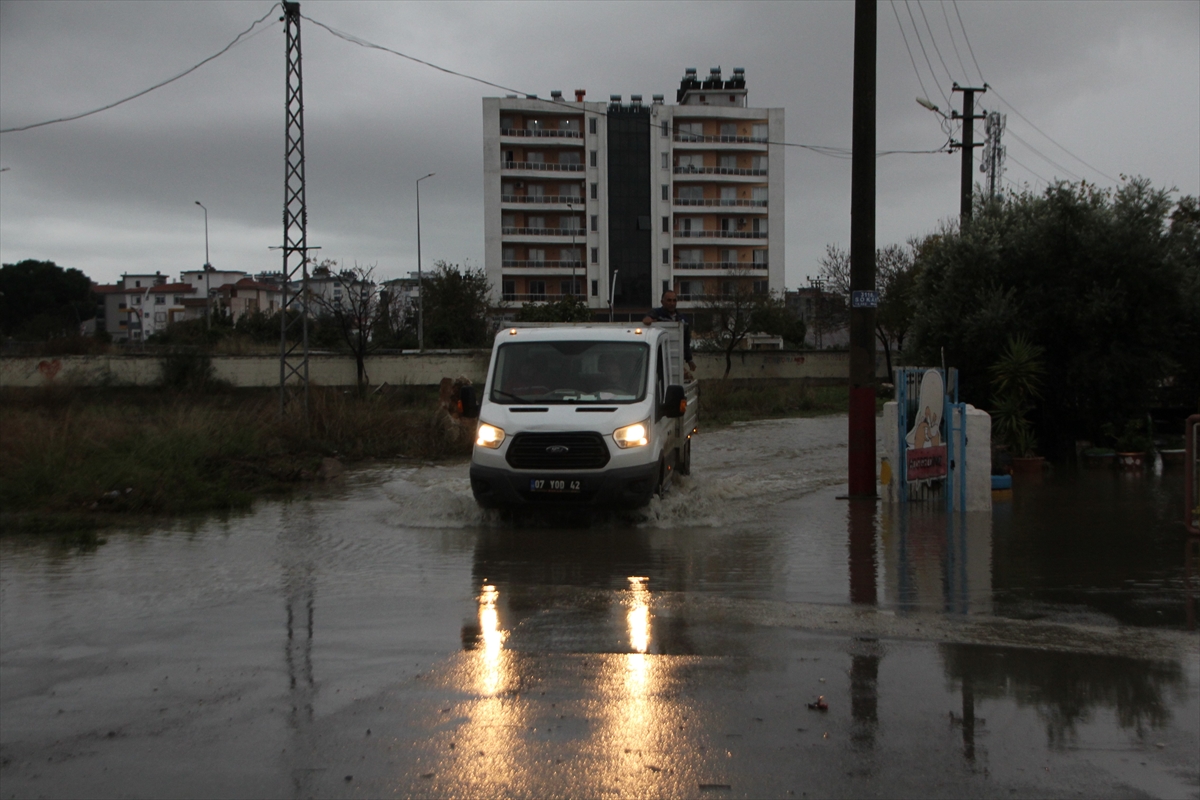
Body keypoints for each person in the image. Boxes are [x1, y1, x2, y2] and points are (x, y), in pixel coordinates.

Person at [642, 289, 696, 373]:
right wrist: (650, 320)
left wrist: (689, 359)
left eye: (674, 300)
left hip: (675, 358)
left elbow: (686, 342)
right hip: (659, 358)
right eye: (669, 300)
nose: (672, 303)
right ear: (662, 302)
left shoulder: (682, 319)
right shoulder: (656, 313)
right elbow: (646, 320)